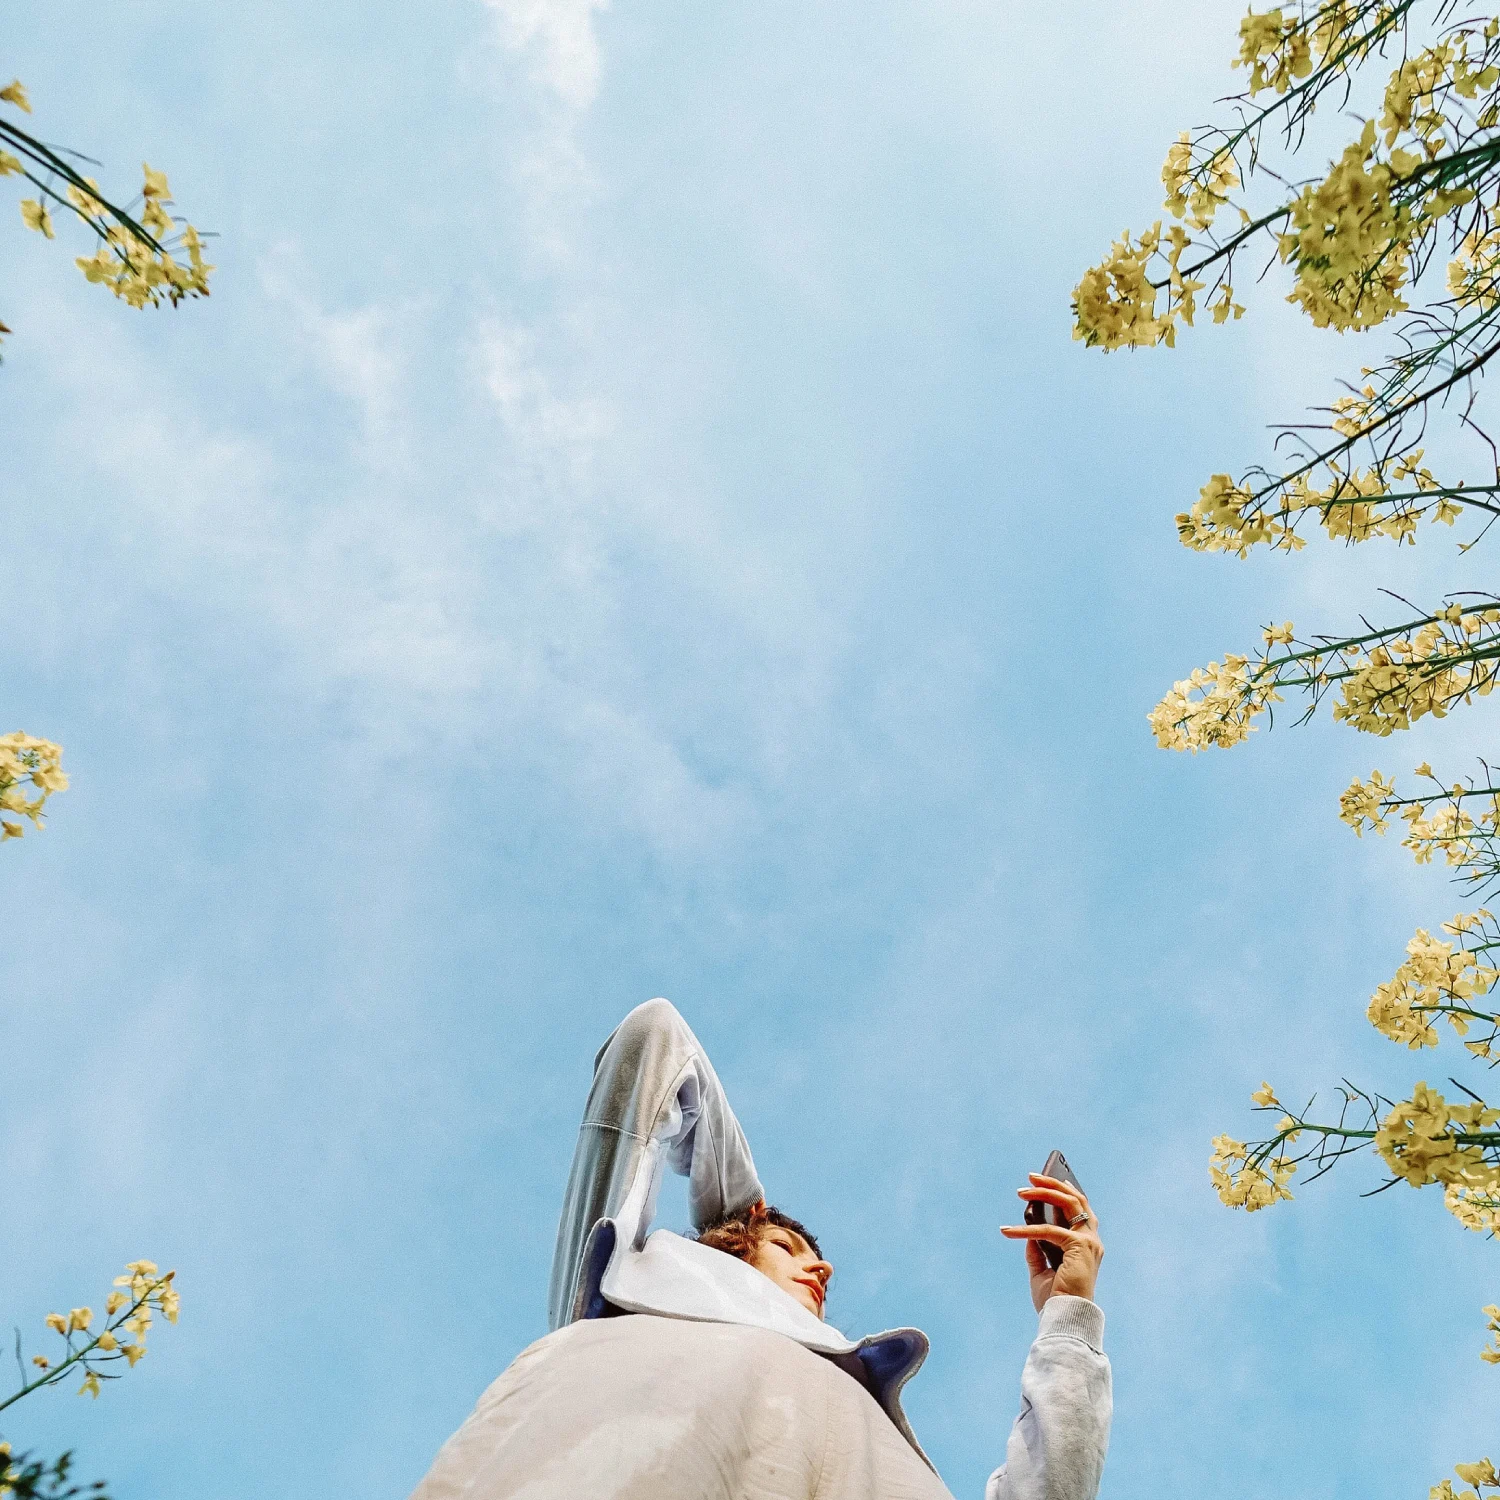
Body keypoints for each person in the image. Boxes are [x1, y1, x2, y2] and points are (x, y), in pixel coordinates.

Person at [410, 998, 1111, 1499]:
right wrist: (739, 1213)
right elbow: (654, 1041)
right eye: (787, 1245)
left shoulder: (877, 1427)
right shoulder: (618, 1291)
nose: (823, 1266)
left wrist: (1070, 1313)